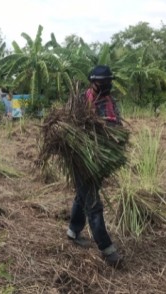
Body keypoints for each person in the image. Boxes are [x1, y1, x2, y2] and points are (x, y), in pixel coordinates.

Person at [66, 65, 123, 268]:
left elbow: (118, 126)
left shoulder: (110, 101)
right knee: (93, 204)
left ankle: (73, 232)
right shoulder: (80, 100)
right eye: (103, 82)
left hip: (101, 161)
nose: (107, 85)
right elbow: (69, 128)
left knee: (83, 196)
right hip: (81, 160)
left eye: (109, 81)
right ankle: (107, 249)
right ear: (93, 82)